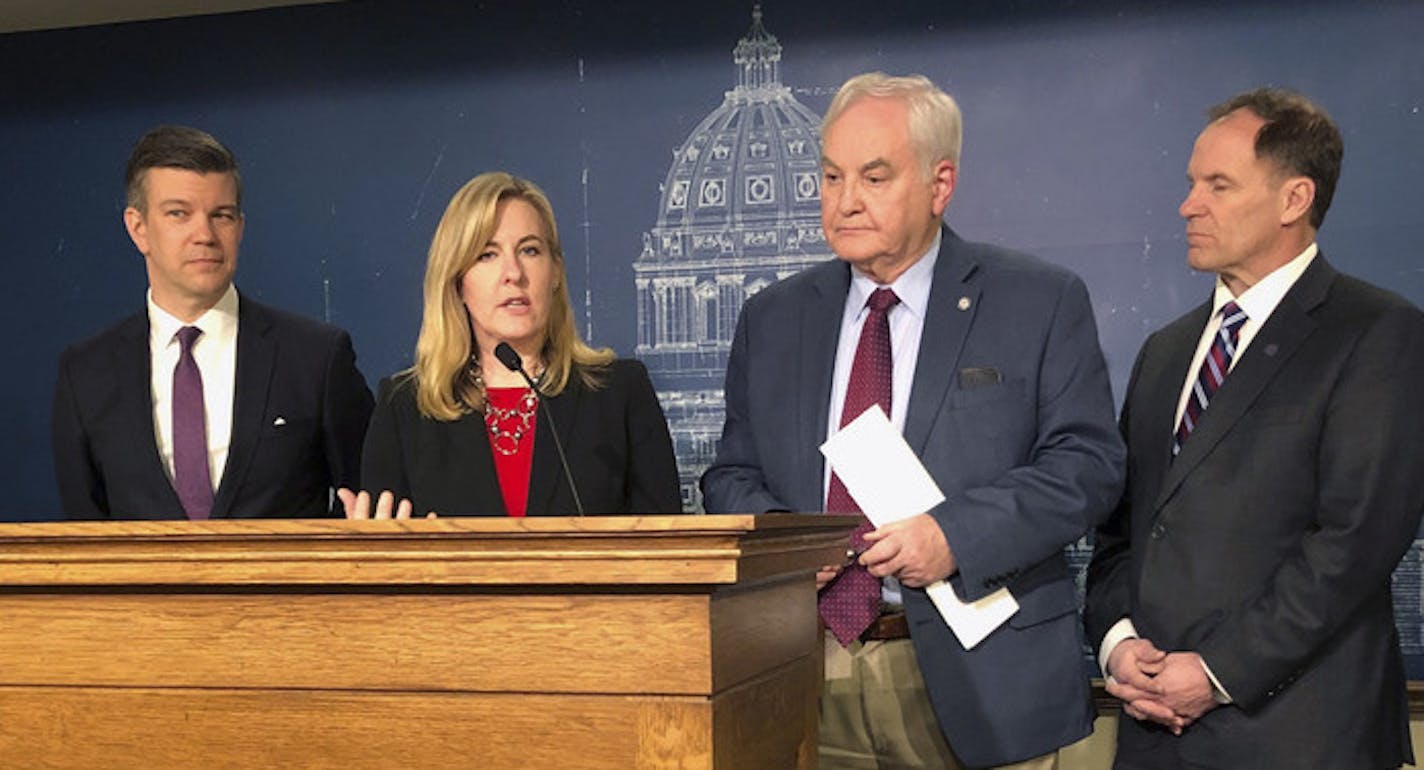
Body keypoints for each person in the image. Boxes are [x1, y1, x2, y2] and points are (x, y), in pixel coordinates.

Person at [700, 73, 1124, 769]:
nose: (844, 201)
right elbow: (733, 474)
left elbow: (1086, 466)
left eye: (873, 177)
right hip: (808, 666)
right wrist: (790, 547)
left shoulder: (1036, 301)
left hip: (979, 673)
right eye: (831, 176)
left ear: (940, 182)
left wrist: (955, 535)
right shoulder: (773, 318)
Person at [1084, 88, 1424, 769]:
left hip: (1301, 737)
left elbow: (1354, 544)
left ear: (1294, 200)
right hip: (1154, 736)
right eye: (1190, 184)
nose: (1188, 205)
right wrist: (1119, 641)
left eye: (1218, 185)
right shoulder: (1166, 351)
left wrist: (1214, 673)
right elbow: (1122, 529)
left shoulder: (1376, 333)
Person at [52, 125, 374, 520]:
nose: (204, 234)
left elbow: (367, 512)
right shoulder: (86, 372)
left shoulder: (316, 357)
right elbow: (83, 543)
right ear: (138, 228)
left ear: (239, 227)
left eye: (221, 215)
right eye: (178, 214)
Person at [340, 172, 680, 519]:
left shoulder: (619, 393)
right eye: (487, 255)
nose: (513, 273)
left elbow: (670, 554)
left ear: (556, 272)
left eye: (530, 250)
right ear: (457, 281)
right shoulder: (405, 407)